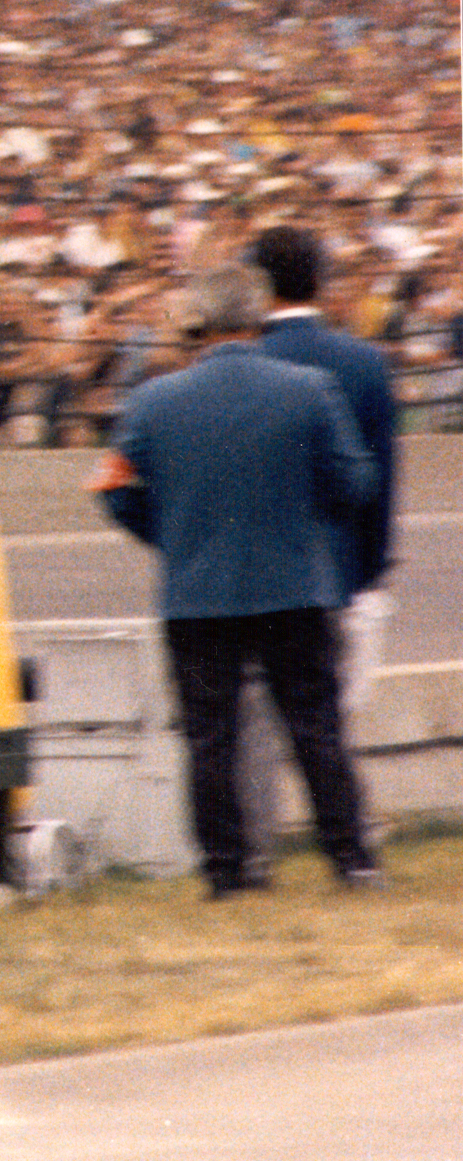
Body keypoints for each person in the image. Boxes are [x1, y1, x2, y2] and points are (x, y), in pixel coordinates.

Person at [94, 262, 384, 899]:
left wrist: (167, 533)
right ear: (258, 317)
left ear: (198, 322)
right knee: (315, 727)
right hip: (296, 585)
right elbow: (357, 482)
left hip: (197, 591)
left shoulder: (153, 399)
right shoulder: (310, 389)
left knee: (209, 737)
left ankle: (227, 870)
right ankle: (350, 857)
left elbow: (111, 487)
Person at [235, 226, 399, 882]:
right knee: (325, 722)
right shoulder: (362, 363)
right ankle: (351, 847)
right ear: (318, 280)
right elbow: (379, 480)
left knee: (246, 726)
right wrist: (371, 569)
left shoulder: (240, 358)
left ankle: (248, 854)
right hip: (337, 564)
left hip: (249, 568)